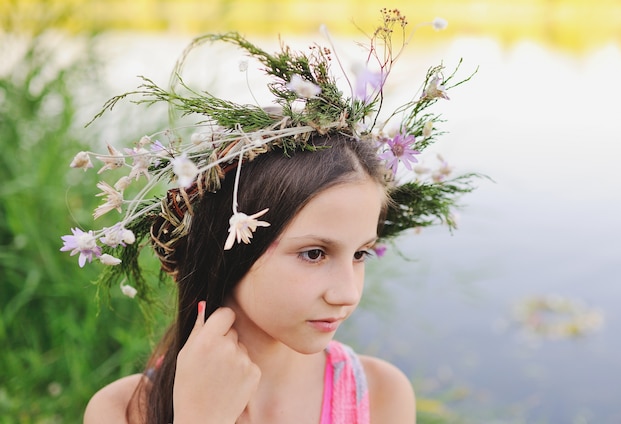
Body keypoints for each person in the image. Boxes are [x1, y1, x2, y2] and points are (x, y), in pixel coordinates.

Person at [64, 9, 478, 424]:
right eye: (314, 253)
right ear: (225, 247)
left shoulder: (381, 396)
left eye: (360, 255)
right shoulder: (122, 411)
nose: (347, 294)